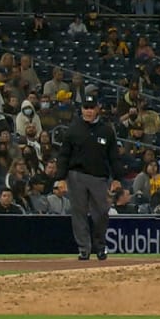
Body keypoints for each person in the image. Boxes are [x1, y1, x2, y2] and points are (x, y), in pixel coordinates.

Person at [56, 93, 121, 260]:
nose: (89, 111)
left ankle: (100, 246)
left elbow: (113, 156)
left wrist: (117, 178)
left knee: (102, 212)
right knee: (79, 213)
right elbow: (63, 155)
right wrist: (61, 178)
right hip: (76, 175)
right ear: (82, 109)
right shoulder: (73, 130)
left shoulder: (106, 130)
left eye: (92, 108)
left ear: (97, 109)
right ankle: (84, 248)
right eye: (86, 108)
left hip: (99, 177)